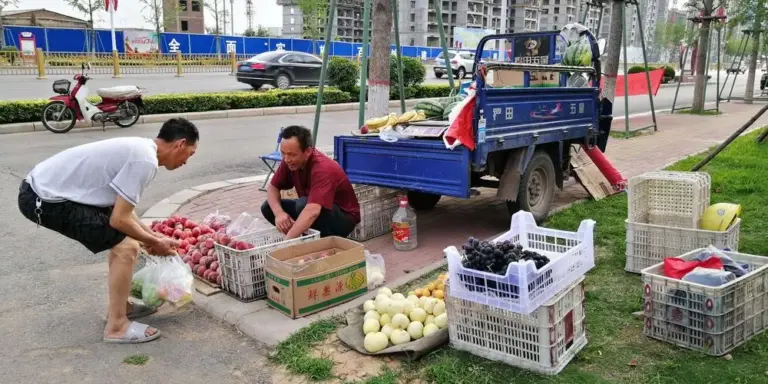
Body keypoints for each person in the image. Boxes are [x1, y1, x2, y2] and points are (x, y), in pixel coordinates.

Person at [17, 117, 199, 344]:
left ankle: (122, 308)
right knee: (126, 247)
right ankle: (117, 326)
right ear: (180, 144)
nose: (186, 162)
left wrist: (152, 238)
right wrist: (152, 242)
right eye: (190, 154)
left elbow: (120, 209)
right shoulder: (144, 161)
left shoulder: (140, 149)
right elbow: (119, 220)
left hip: (41, 190)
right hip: (44, 199)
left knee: (125, 242)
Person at [261, 125, 360, 239]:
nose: (287, 159)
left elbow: (312, 210)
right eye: (283, 153)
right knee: (268, 207)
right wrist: (279, 214)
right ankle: (301, 237)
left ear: (307, 151)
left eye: (292, 154)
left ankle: (321, 240)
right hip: (311, 208)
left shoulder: (323, 168)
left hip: (343, 219)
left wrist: (286, 242)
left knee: (302, 204)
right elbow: (273, 187)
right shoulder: (288, 161)